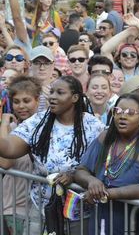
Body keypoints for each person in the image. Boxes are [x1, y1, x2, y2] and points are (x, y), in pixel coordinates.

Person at [0, 76, 104, 234]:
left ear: (75, 97)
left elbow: (105, 162)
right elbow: (9, 148)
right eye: (52, 92)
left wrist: (75, 175)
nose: (52, 97)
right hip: (40, 208)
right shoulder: (38, 121)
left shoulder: (93, 126)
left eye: (60, 93)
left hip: (80, 212)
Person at [74, 93, 139, 235]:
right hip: (100, 217)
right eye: (117, 111)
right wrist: (91, 181)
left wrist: (108, 194)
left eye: (130, 113)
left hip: (132, 222)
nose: (122, 116)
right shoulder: (106, 137)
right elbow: (81, 170)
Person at [0, 76, 41, 235]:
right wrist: (4, 125)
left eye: (26, 100)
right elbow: (5, 162)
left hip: (35, 208)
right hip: (13, 207)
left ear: (37, 100)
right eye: (16, 102)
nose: (21, 106)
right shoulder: (10, 127)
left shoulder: (43, 126)